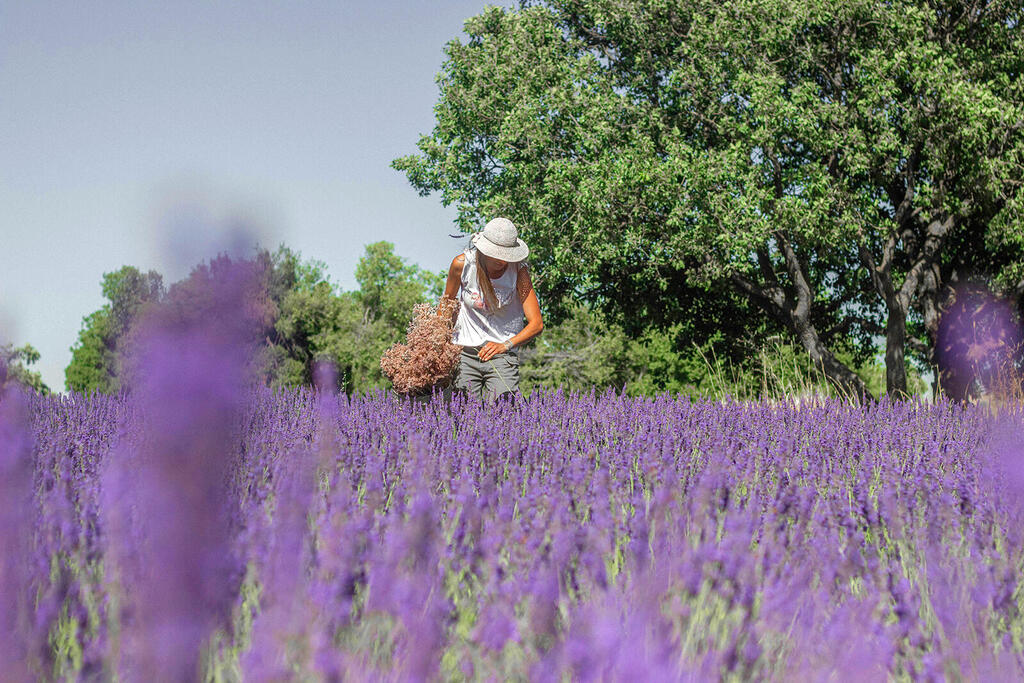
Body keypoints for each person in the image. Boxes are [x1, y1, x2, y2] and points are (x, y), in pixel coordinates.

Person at [441, 217, 543, 401]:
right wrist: (438, 348)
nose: (502, 261)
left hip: (502, 356)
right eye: (497, 253)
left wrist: (505, 345)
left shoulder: (519, 273)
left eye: (506, 255)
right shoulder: (462, 265)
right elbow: (445, 308)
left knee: (503, 414)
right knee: (463, 415)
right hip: (464, 353)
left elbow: (536, 324)